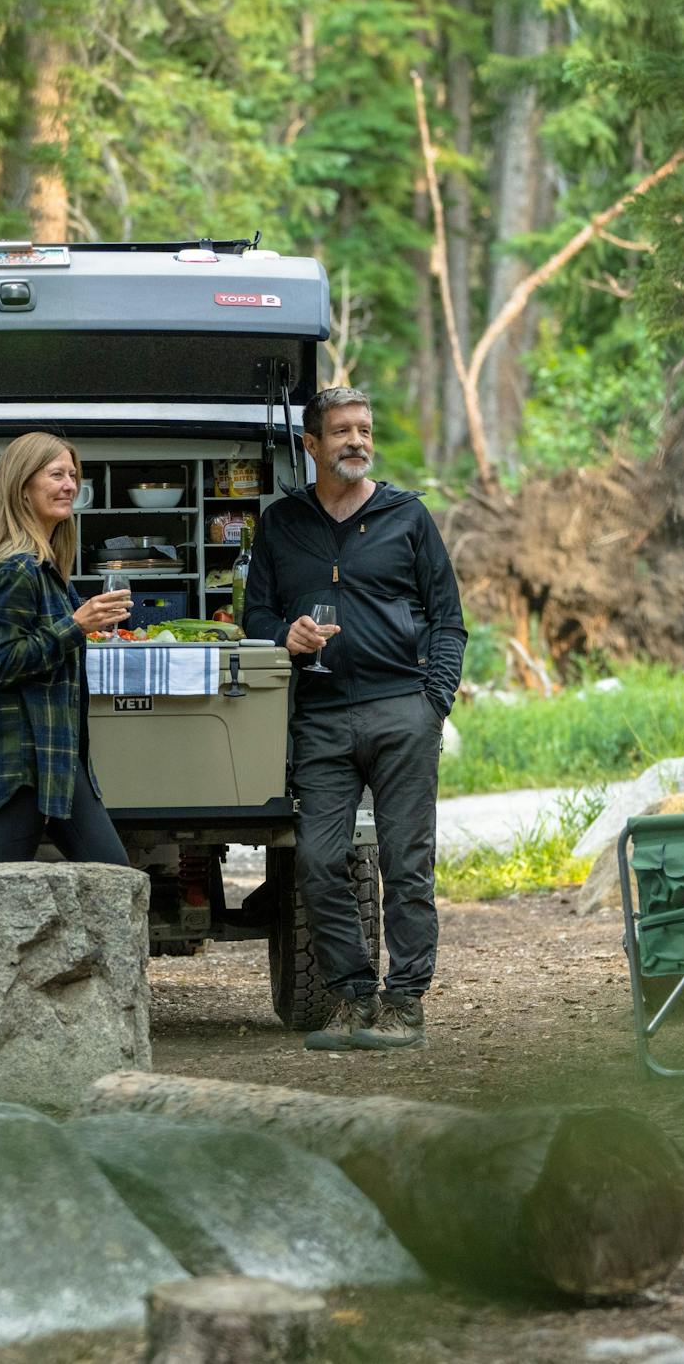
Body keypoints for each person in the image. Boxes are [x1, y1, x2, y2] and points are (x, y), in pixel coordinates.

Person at [243, 386, 466, 1050]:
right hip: (320, 715)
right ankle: (349, 997)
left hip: (402, 710)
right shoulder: (281, 525)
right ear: (310, 445)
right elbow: (254, 616)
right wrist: (287, 633)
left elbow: (449, 620)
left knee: (406, 862)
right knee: (316, 859)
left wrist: (434, 702)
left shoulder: (407, 517)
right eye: (340, 431)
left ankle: (404, 1004)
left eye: (364, 429)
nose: (356, 441)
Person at [0, 432, 133, 863]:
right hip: (20, 761)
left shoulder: (45, 567)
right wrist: (76, 626)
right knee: (7, 893)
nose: (70, 485)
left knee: (109, 878)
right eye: (56, 474)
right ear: (23, 487)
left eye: (73, 475)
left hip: (53, 755)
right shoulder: (16, 569)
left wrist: (84, 625)